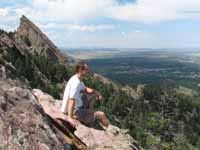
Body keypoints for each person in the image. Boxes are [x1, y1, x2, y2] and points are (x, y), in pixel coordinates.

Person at [61, 62, 110, 128]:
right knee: (101, 114)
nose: (88, 72)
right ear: (81, 70)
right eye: (86, 70)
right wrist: (70, 118)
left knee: (93, 94)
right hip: (75, 111)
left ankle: (89, 113)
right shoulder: (76, 83)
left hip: (77, 106)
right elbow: (71, 100)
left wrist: (97, 93)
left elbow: (85, 89)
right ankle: (109, 128)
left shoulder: (77, 79)